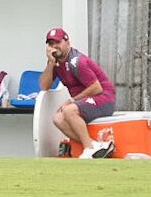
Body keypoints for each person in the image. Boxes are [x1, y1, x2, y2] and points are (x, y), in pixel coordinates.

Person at [39, 28, 116, 159]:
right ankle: (96, 145)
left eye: (58, 42)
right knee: (57, 119)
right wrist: (50, 63)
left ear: (67, 42)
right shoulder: (55, 62)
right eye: (51, 44)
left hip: (104, 99)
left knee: (68, 110)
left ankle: (88, 149)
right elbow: (44, 86)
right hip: (86, 101)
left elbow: (96, 88)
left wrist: (72, 100)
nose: (54, 46)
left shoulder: (77, 61)